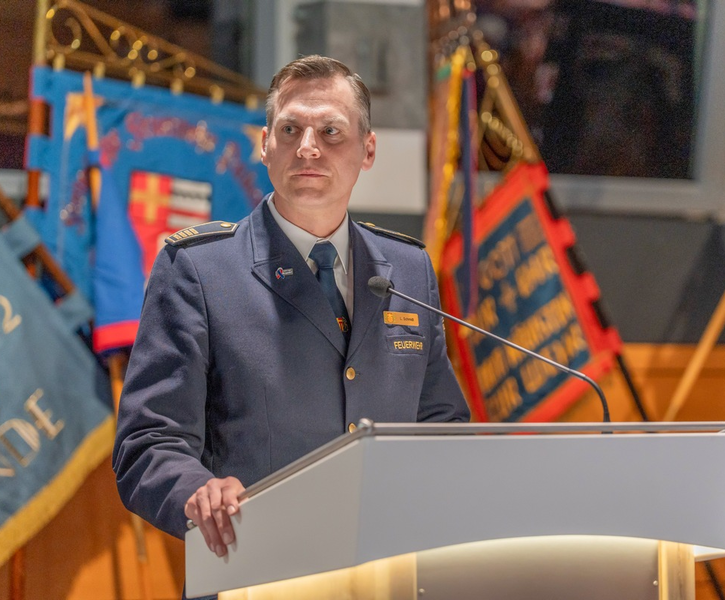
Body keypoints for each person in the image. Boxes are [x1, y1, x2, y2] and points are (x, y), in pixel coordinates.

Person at [112, 55, 469, 569]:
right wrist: (198, 492)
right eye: (290, 129)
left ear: (368, 150)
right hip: (254, 567)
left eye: (331, 131)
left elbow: (440, 425)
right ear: (264, 145)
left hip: (386, 570)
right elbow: (149, 441)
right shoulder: (199, 270)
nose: (308, 147)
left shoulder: (409, 271)